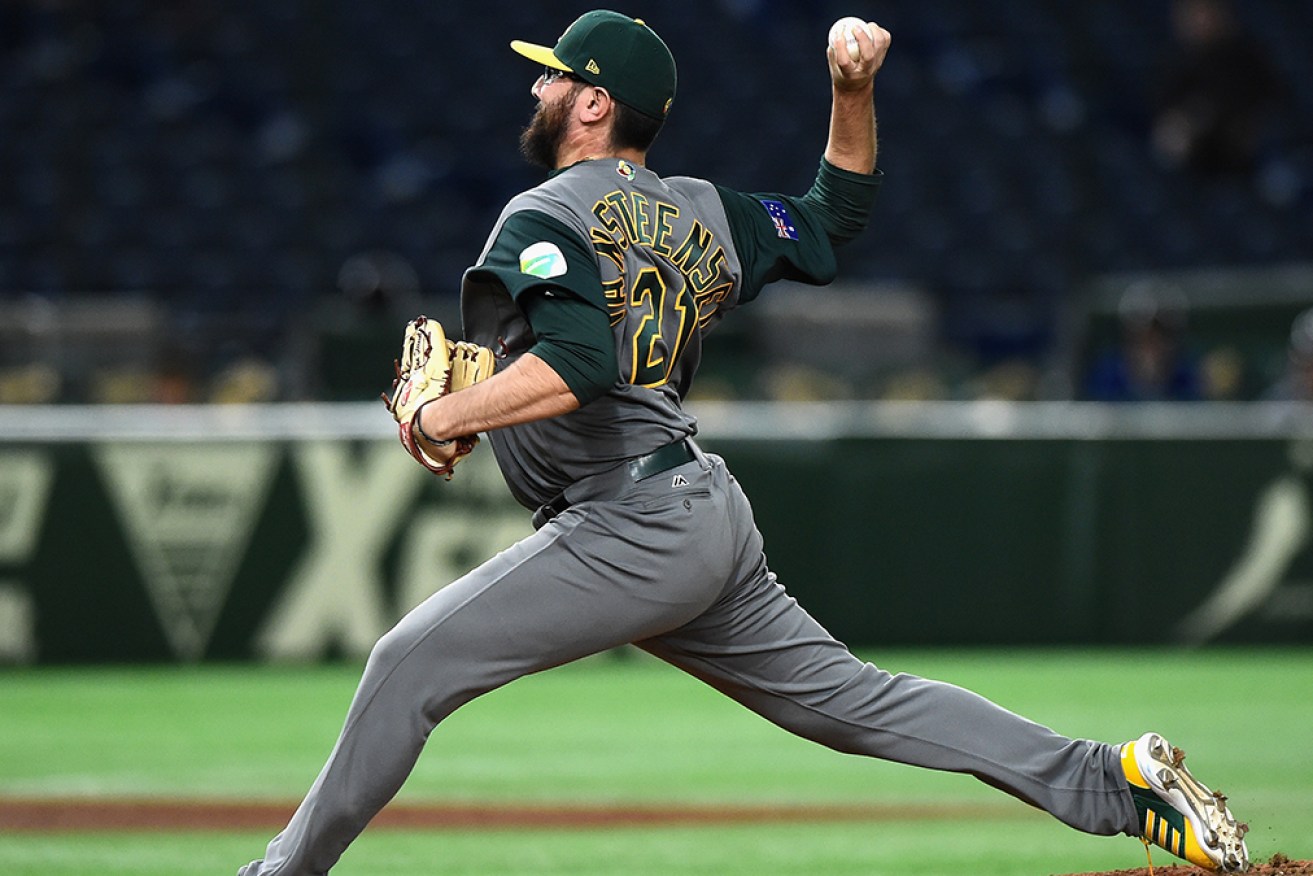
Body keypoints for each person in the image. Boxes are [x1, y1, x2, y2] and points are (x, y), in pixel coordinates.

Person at [239, 12, 1248, 874]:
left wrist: (438, 416)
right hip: (699, 514)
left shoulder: (540, 212)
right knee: (857, 701)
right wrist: (849, 91)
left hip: (625, 520)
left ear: (592, 103)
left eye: (552, 74)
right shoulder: (704, 212)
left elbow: (582, 364)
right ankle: (1112, 782)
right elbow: (829, 216)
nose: (538, 87)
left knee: (405, 663)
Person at [1151, 0, 1285, 177]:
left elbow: (1266, 105)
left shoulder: (1247, 58)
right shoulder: (1174, 65)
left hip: (1248, 159)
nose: (1197, 21)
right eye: (1191, 14)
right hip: (1196, 162)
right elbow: (1164, 117)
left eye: (1203, 12)